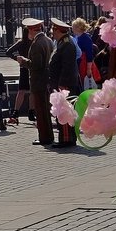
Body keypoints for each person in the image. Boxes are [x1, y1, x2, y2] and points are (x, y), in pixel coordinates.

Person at [17, 18, 55, 147]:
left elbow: (36, 65)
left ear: (32, 30)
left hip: (38, 81)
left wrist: (23, 61)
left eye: (28, 30)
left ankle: (44, 137)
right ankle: (48, 135)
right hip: (46, 79)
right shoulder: (48, 41)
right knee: (45, 110)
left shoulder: (37, 43)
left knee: (41, 110)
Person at [48, 18, 80, 148]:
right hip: (61, 83)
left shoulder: (66, 44)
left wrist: (62, 84)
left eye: (53, 30)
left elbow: (67, 67)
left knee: (65, 111)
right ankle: (66, 138)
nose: (52, 32)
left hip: (64, 85)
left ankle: (66, 139)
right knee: (62, 111)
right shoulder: (62, 43)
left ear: (58, 30)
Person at [5, 27, 32, 125]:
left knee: (30, 91)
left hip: (28, 68)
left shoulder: (32, 42)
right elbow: (8, 52)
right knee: (22, 90)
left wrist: (16, 58)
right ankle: (17, 111)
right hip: (26, 68)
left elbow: (8, 52)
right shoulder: (23, 43)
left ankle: (30, 111)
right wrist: (17, 58)